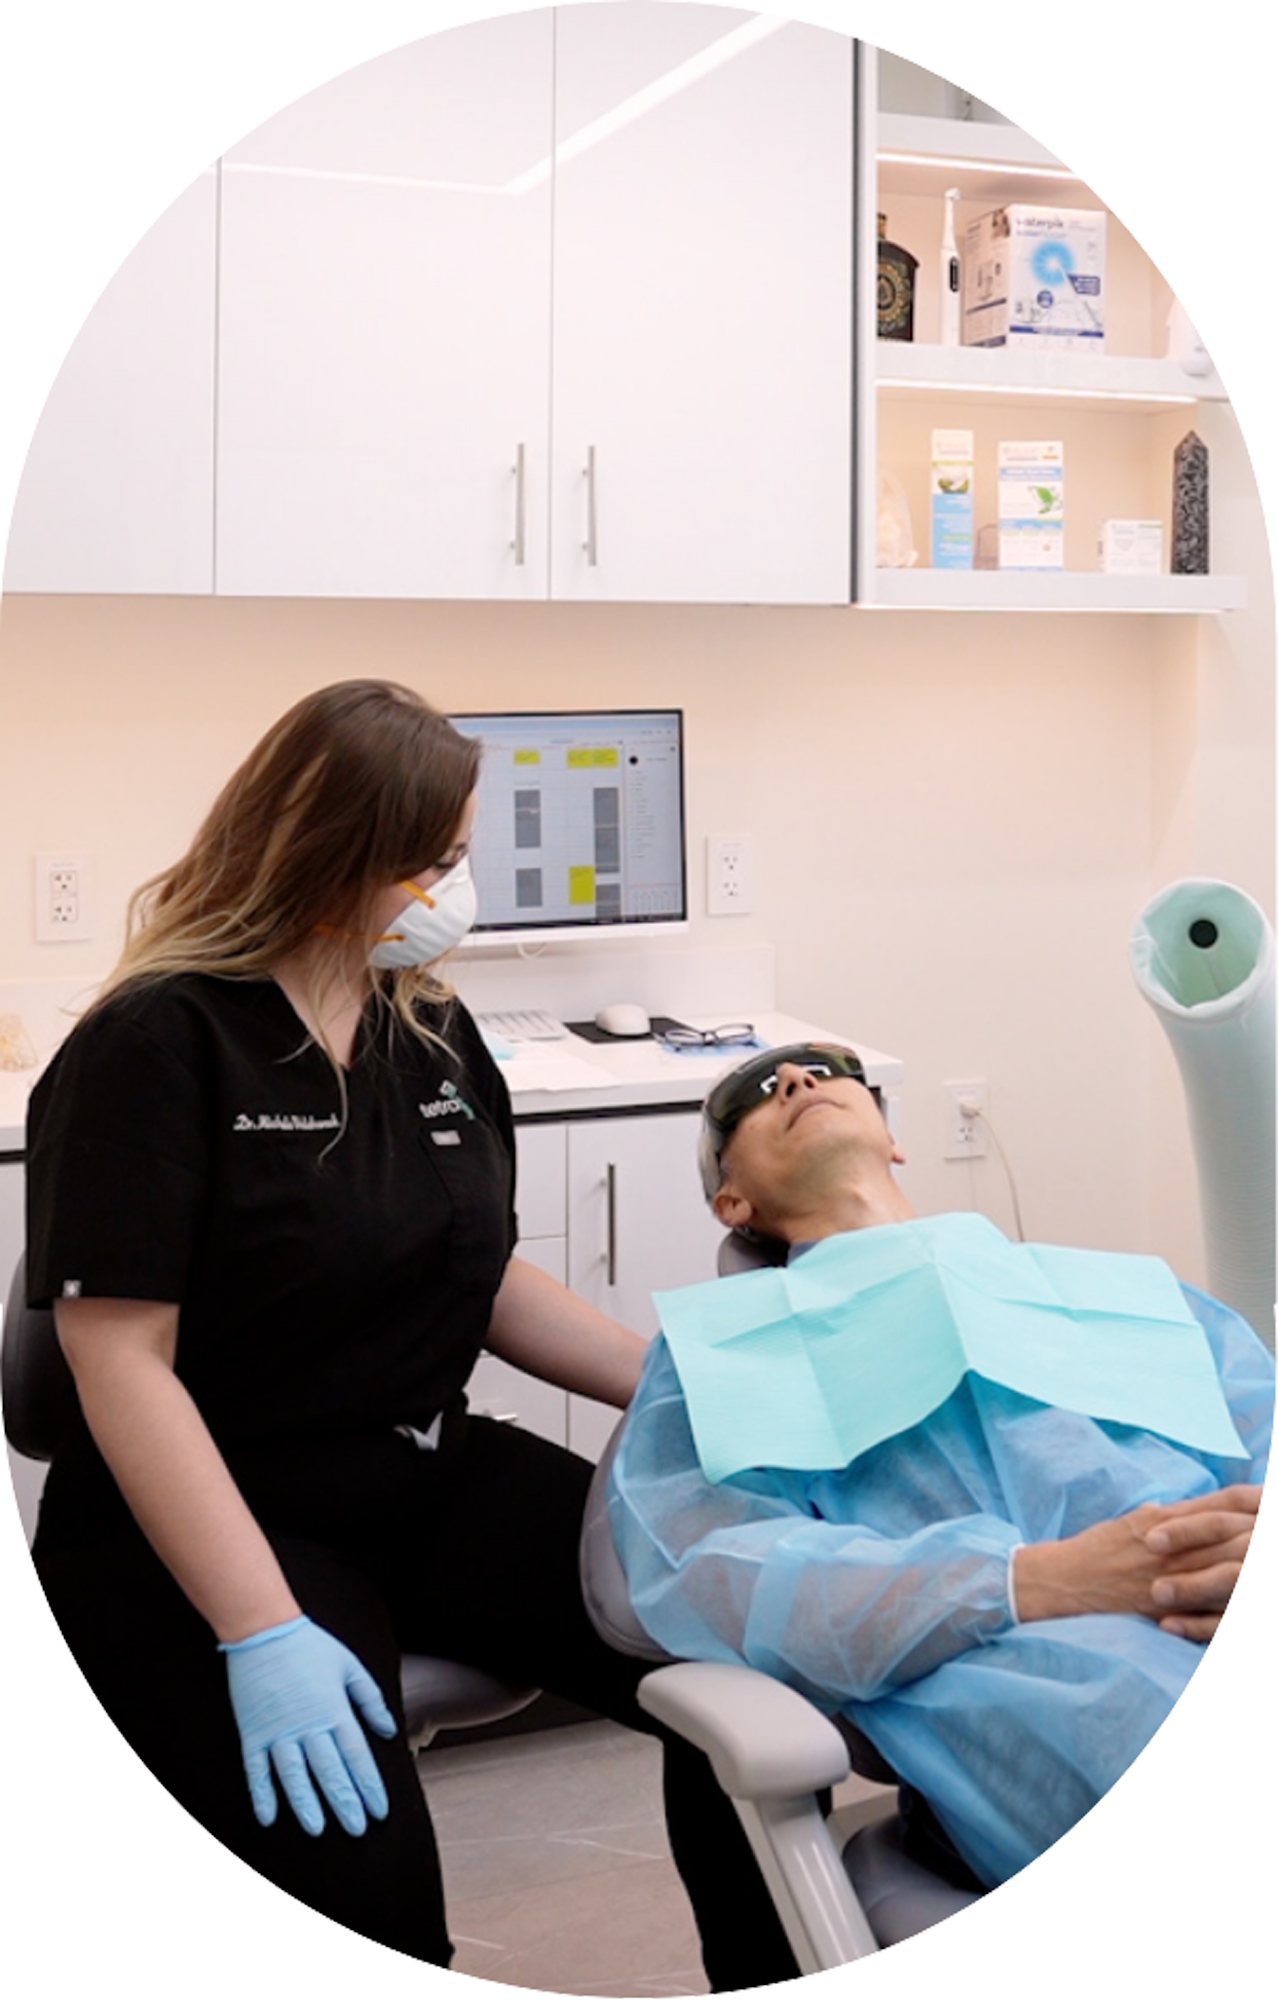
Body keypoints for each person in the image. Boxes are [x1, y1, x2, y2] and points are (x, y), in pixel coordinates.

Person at [24, 679, 797, 1982]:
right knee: (360, 1874)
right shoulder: (152, 1046)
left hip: (425, 1470)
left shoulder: (426, 1031)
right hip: (219, 1511)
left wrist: (686, 1390)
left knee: (745, 1683)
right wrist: (261, 1628)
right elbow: (119, 1364)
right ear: (329, 857)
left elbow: (483, 1280)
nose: (455, 886)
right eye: (432, 861)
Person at [608, 1043, 1274, 1890]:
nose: (798, 1083)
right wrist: (1034, 1580)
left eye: (825, 1068)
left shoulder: (1112, 1290)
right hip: (1038, 1672)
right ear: (732, 1201)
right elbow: (712, 1573)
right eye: (753, 1096)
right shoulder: (730, 1350)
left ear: (893, 1139)